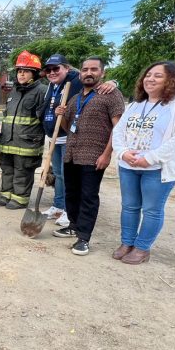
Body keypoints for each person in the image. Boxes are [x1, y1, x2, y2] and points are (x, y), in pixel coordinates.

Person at [112, 61, 175, 264]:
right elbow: (118, 132)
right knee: (129, 206)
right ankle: (127, 243)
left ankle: (142, 248)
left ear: (172, 80)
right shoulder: (135, 105)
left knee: (151, 209)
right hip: (129, 166)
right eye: (148, 75)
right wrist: (123, 153)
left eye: (158, 76)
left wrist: (150, 158)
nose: (150, 79)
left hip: (157, 168)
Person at [53, 57, 124, 256]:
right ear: (81, 73)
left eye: (94, 69)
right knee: (72, 194)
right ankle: (74, 226)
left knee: (88, 197)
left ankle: (84, 237)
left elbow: (118, 128)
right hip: (72, 154)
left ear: (102, 73)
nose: (89, 73)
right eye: (85, 69)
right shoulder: (76, 98)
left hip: (94, 155)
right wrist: (62, 114)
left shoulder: (111, 95)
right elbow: (68, 129)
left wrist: (107, 154)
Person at [41, 54, 119, 226]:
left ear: (67, 68)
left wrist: (113, 82)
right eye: (49, 70)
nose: (52, 72)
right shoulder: (51, 86)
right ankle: (58, 205)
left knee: (69, 178)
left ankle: (69, 211)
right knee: (59, 174)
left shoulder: (75, 81)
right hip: (55, 135)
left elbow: (98, 82)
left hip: (69, 139)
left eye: (56, 68)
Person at [0, 50, 46, 209]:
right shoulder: (14, 91)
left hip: (28, 143)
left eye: (26, 72)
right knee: (7, 168)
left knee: (22, 171)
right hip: (8, 140)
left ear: (35, 74)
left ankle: (20, 199)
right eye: (19, 71)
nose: (21, 75)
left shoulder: (42, 91)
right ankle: (6, 195)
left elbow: (45, 119)